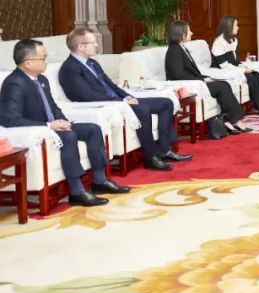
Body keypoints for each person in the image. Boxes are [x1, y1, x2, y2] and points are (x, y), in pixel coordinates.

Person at [0, 38, 129, 207]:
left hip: (53, 126)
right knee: (69, 136)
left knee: (93, 129)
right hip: (39, 131)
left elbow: (53, 106)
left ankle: (100, 180)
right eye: (43, 58)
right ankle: (77, 192)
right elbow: (10, 119)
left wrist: (63, 120)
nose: (46, 61)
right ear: (28, 63)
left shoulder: (42, 79)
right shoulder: (14, 83)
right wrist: (49, 126)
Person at [58, 27, 187, 171]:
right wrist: (122, 102)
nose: (96, 45)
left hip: (118, 101)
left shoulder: (92, 63)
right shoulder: (70, 68)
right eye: (93, 42)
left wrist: (126, 96)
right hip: (106, 106)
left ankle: (164, 150)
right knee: (142, 109)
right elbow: (86, 95)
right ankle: (150, 157)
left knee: (166, 103)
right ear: (80, 46)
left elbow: (111, 85)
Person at [164, 20, 252, 134]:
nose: (191, 33)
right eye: (189, 31)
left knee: (224, 84)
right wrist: (202, 79)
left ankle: (229, 120)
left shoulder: (181, 48)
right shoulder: (174, 50)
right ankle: (235, 121)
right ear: (181, 33)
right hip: (188, 86)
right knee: (222, 87)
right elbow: (178, 75)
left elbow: (189, 71)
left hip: (195, 82)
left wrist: (205, 77)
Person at [211, 16, 259, 116]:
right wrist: (242, 70)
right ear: (229, 26)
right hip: (223, 70)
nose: (238, 27)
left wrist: (243, 67)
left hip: (233, 67)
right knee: (251, 77)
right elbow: (224, 65)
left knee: (256, 74)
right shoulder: (218, 43)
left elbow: (234, 61)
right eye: (236, 25)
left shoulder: (233, 40)